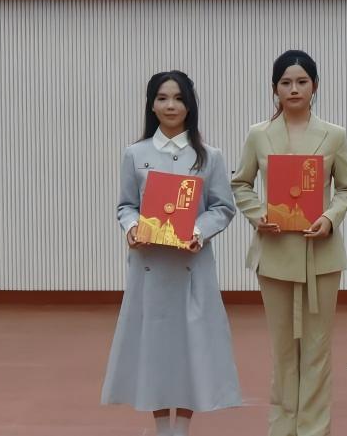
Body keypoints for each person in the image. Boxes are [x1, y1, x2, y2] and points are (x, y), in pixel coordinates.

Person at [101, 70, 241, 435]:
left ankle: (183, 427)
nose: (170, 105)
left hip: (192, 267)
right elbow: (126, 206)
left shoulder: (209, 157)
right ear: (151, 105)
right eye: (162, 98)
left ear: (190, 105)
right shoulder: (135, 154)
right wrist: (132, 228)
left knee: (191, 347)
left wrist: (198, 231)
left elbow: (223, 208)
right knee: (156, 348)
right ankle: (163, 426)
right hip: (151, 267)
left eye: (178, 98)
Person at [230, 49, 347, 436]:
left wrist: (329, 219)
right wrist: (258, 215)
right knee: (284, 350)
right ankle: (282, 427)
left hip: (322, 256)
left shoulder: (334, 134)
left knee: (317, 349)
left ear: (315, 86)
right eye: (286, 82)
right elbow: (241, 183)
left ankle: (314, 429)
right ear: (275, 89)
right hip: (275, 256)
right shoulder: (259, 134)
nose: (294, 89)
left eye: (302, 81)